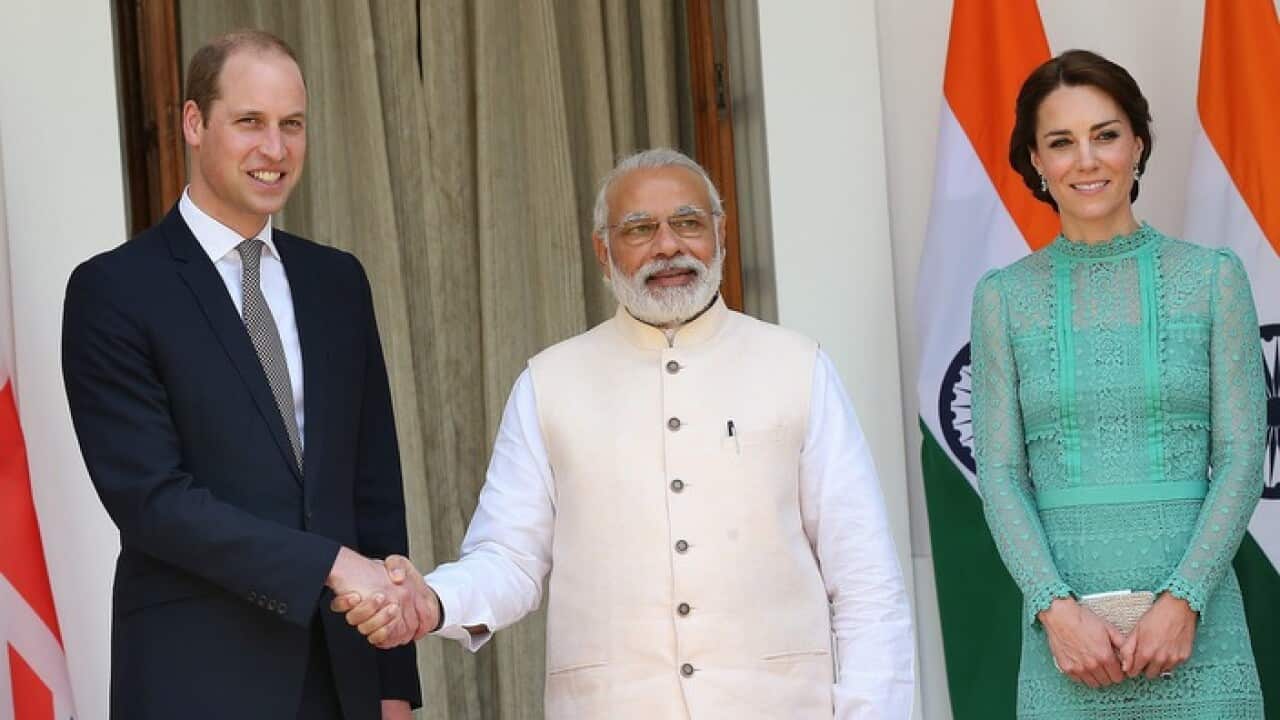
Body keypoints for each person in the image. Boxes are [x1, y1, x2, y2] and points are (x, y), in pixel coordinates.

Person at [337, 148, 915, 719]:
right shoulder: (550, 381)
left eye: (688, 223)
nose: (668, 246)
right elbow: (510, 557)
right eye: (640, 229)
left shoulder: (797, 367)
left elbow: (865, 582)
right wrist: (434, 600)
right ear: (603, 252)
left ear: (720, 234)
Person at [61, 29, 428, 720]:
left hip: (341, 677)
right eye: (250, 122)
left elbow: (373, 493)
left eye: (292, 124)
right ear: (194, 124)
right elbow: (153, 503)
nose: (276, 149)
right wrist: (325, 563)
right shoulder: (114, 289)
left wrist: (392, 682)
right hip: (194, 677)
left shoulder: (337, 282)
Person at [971, 49, 1266, 718]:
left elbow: (1245, 456)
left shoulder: (1214, 279)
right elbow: (1000, 472)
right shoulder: (1003, 298)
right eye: (1061, 142)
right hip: (1066, 649)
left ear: (1138, 142)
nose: (1087, 159)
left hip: (1200, 629)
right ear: (1036, 162)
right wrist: (1055, 611)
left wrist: (1184, 599)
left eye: (1105, 134)